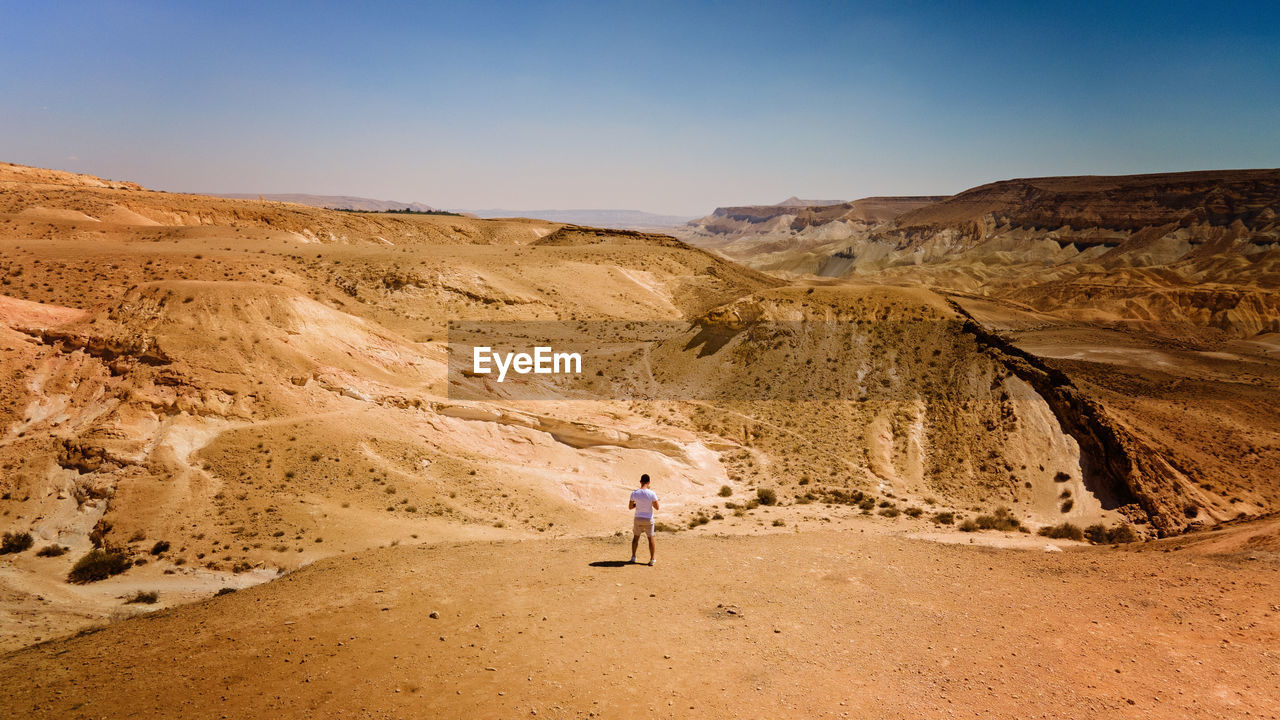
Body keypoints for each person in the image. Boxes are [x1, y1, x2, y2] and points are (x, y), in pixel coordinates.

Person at [629, 474, 659, 565]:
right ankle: (652, 559)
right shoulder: (652, 493)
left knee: (636, 538)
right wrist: (650, 503)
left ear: (640, 482)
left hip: (638, 518)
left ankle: (633, 557)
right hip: (648, 519)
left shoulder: (635, 493)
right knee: (651, 539)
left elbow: (630, 507)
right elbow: (657, 507)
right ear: (649, 482)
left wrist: (637, 504)